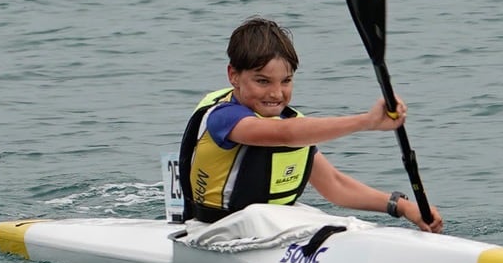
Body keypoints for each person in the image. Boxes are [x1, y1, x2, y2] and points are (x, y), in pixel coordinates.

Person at [178, 16, 444, 233]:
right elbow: (284, 135)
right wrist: (367, 121)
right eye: (262, 81)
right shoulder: (223, 117)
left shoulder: (290, 122)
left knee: (345, 228)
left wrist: (401, 207)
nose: (276, 93)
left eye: (286, 81)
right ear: (233, 75)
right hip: (214, 232)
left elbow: (336, 186)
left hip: (267, 227)